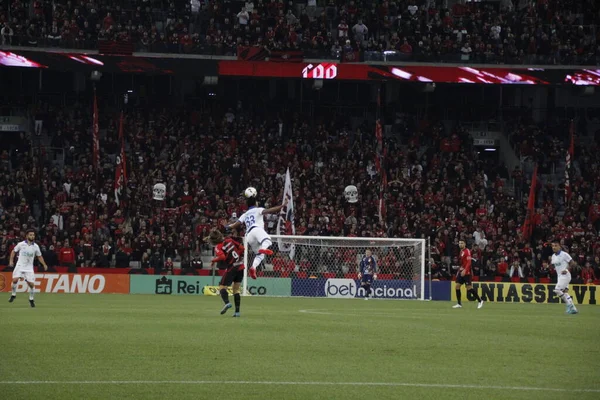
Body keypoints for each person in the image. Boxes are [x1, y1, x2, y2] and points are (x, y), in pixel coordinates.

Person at [225, 191, 288, 279]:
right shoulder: (258, 209)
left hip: (249, 236)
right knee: (268, 240)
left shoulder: (244, 214)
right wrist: (282, 205)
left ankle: (253, 267)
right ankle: (263, 249)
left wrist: (226, 226)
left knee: (259, 255)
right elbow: (270, 210)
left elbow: (235, 225)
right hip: (256, 229)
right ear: (255, 203)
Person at [206, 228, 245, 317]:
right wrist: (236, 255)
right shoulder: (230, 240)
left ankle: (227, 303)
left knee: (222, 287)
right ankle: (237, 312)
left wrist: (213, 260)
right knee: (236, 289)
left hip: (232, 267)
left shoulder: (218, 246)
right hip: (240, 265)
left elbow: (222, 257)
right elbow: (242, 248)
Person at [8, 229, 49, 307]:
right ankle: (13, 294)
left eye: (33, 235)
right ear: (26, 236)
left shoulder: (36, 246)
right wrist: (11, 261)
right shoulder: (21, 244)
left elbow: (39, 256)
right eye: (30, 235)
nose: (32, 236)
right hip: (20, 265)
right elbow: (13, 251)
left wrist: (44, 264)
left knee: (31, 285)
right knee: (15, 280)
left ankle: (31, 299)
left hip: (29, 268)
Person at [453, 240, 484, 309]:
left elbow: (469, 262)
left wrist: (465, 270)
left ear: (465, 244)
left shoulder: (467, 251)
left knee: (469, 288)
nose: (460, 244)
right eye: (459, 243)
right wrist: (460, 268)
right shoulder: (461, 252)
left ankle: (480, 300)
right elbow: (463, 262)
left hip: (467, 273)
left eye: (462, 243)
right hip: (461, 271)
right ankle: (459, 303)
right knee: (457, 286)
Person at [550, 241, 578, 314]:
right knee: (565, 292)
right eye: (552, 246)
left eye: (555, 246)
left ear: (559, 246)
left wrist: (566, 269)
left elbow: (573, 263)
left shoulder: (564, 254)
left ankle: (569, 305)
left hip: (565, 275)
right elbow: (554, 266)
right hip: (559, 276)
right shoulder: (553, 256)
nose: (554, 247)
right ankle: (574, 309)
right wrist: (549, 266)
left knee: (557, 290)